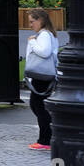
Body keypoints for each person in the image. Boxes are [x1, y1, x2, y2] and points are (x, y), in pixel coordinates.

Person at [25, 8, 60, 151]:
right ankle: (49, 137)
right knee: (38, 106)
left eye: (32, 22)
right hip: (44, 74)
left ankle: (45, 140)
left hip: (42, 75)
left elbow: (44, 52)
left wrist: (32, 42)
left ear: (41, 20)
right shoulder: (49, 34)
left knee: (38, 106)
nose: (30, 25)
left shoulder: (44, 34)